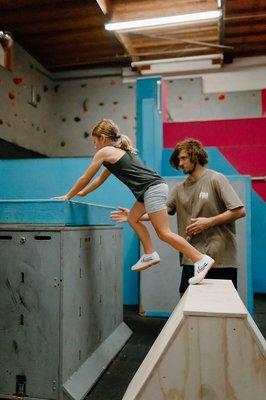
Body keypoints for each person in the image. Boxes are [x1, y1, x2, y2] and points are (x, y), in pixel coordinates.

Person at [54, 119, 214, 279]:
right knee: (132, 218)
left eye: (94, 141)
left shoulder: (104, 152)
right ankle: (150, 253)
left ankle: (200, 259)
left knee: (164, 233)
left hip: (152, 188)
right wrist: (84, 193)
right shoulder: (118, 153)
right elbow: (99, 179)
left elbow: (85, 177)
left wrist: (68, 196)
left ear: (102, 138)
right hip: (149, 189)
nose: (94, 145)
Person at [112, 138, 245, 291]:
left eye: (183, 158)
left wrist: (209, 222)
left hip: (222, 260)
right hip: (192, 259)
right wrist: (133, 216)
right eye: (178, 159)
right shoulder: (179, 188)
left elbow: (239, 211)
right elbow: (161, 213)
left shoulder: (216, 179)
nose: (180, 163)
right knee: (188, 308)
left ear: (196, 156)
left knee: (222, 310)